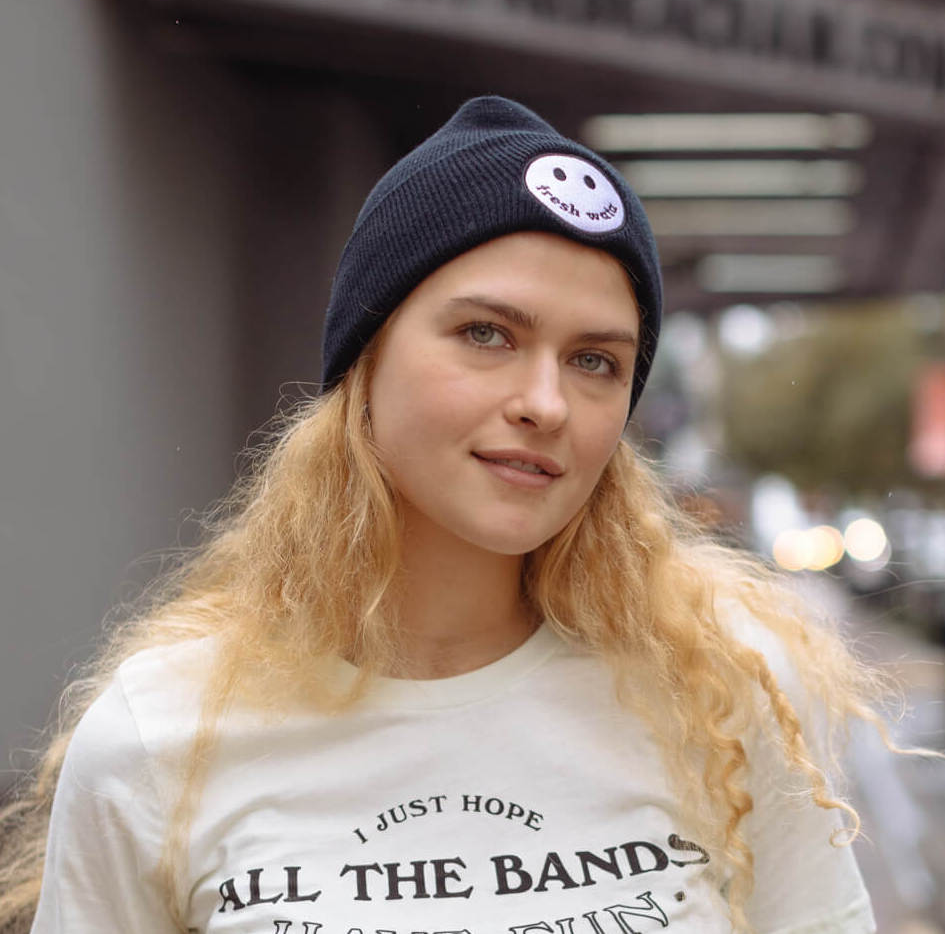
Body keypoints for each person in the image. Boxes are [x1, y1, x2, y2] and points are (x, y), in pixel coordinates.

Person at [2, 96, 884, 934]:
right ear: (367, 358)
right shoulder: (160, 735)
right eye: (486, 334)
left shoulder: (720, 694)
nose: (546, 402)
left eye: (594, 360)